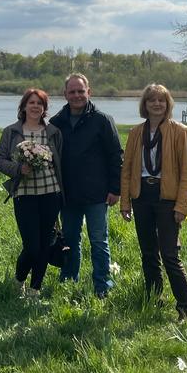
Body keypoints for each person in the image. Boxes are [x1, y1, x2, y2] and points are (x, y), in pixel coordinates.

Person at [119, 84, 187, 322]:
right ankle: (154, 298)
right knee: (148, 253)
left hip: (167, 198)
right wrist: (125, 202)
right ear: (145, 105)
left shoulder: (180, 131)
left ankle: (185, 308)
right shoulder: (135, 133)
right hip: (142, 196)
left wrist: (181, 205)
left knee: (170, 254)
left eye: (161, 100)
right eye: (151, 100)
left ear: (168, 104)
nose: (156, 104)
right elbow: (127, 169)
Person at [49, 73, 123, 299]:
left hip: (97, 194)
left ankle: (102, 285)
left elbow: (116, 156)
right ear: (65, 95)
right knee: (70, 240)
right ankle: (69, 280)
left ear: (89, 92)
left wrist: (115, 188)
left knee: (99, 241)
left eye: (81, 91)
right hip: (68, 195)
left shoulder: (102, 120)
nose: (77, 95)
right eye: (72, 91)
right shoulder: (56, 122)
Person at [0, 88, 63, 298]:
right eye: (31, 103)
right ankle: (19, 279)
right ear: (23, 106)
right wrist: (18, 169)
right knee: (32, 246)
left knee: (45, 244)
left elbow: (60, 162)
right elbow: (0, 159)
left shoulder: (53, 132)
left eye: (39, 104)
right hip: (24, 194)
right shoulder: (12, 132)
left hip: (51, 193)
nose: (35, 107)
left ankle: (35, 289)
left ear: (44, 109)